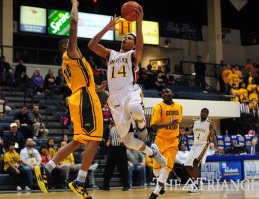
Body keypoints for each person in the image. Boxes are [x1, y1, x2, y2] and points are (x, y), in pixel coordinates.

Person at [34, 1, 107, 198]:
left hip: (82, 95)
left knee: (78, 141)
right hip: (84, 98)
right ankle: (80, 181)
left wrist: (96, 88)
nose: (75, 43)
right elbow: (74, 23)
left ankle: (46, 169)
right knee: (95, 138)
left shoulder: (68, 63)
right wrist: (75, 4)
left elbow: (79, 82)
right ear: (66, 46)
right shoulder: (71, 53)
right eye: (71, 42)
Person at [88, 3, 166, 175]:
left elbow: (140, 47)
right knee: (129, 141)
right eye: (125, 38)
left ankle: (141, 126)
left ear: (133, 44)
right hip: (114, 98)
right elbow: (91, 45)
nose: (125, 39)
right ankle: (153, 152)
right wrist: (106, 28)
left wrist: (139, 23)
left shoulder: (132, 56)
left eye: (129, 38)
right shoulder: (111, 54)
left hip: (130, 91)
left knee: (136, 107)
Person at [148, 88, 183, 199]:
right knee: (156, 170)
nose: (165, 94)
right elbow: (153, 125)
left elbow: (177, 123)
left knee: (166, 168)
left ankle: (155, 193)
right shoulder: (158, 107)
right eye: (163, 93)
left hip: (173, 141)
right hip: (160, 140)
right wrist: (169, 123)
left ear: (172, 93)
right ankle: (161, 184)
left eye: (167, 91)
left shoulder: (179, 107)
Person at [184, 108, 218, 193]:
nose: (203, 113)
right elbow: (192, 132)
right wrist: (184, 133)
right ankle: (196, 181)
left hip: (203, 145)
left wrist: (216, 146)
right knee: (187, 165)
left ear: (207, 114)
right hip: (194, 145)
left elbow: (212, 135)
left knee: (195, 162)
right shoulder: (195, 122)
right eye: (202, 112)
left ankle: (196, 185)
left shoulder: (209, 123)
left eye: (205, 112)